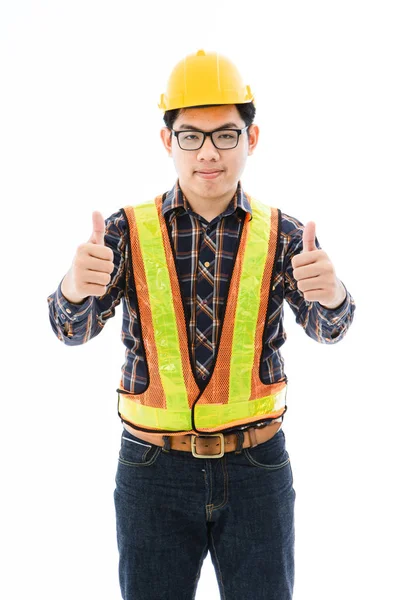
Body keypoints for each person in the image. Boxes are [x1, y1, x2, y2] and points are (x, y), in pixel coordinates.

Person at [47, 49, 356, 600]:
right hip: (151, 471)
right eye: (191, 136)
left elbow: (331, 329)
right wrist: (74, 288)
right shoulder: (124, 232)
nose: (208, 152)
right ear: (168, 141)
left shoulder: (285, 235)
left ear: (251, 139)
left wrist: (332, 296)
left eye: (226, 135)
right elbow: (69, 329)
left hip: (258, 468)